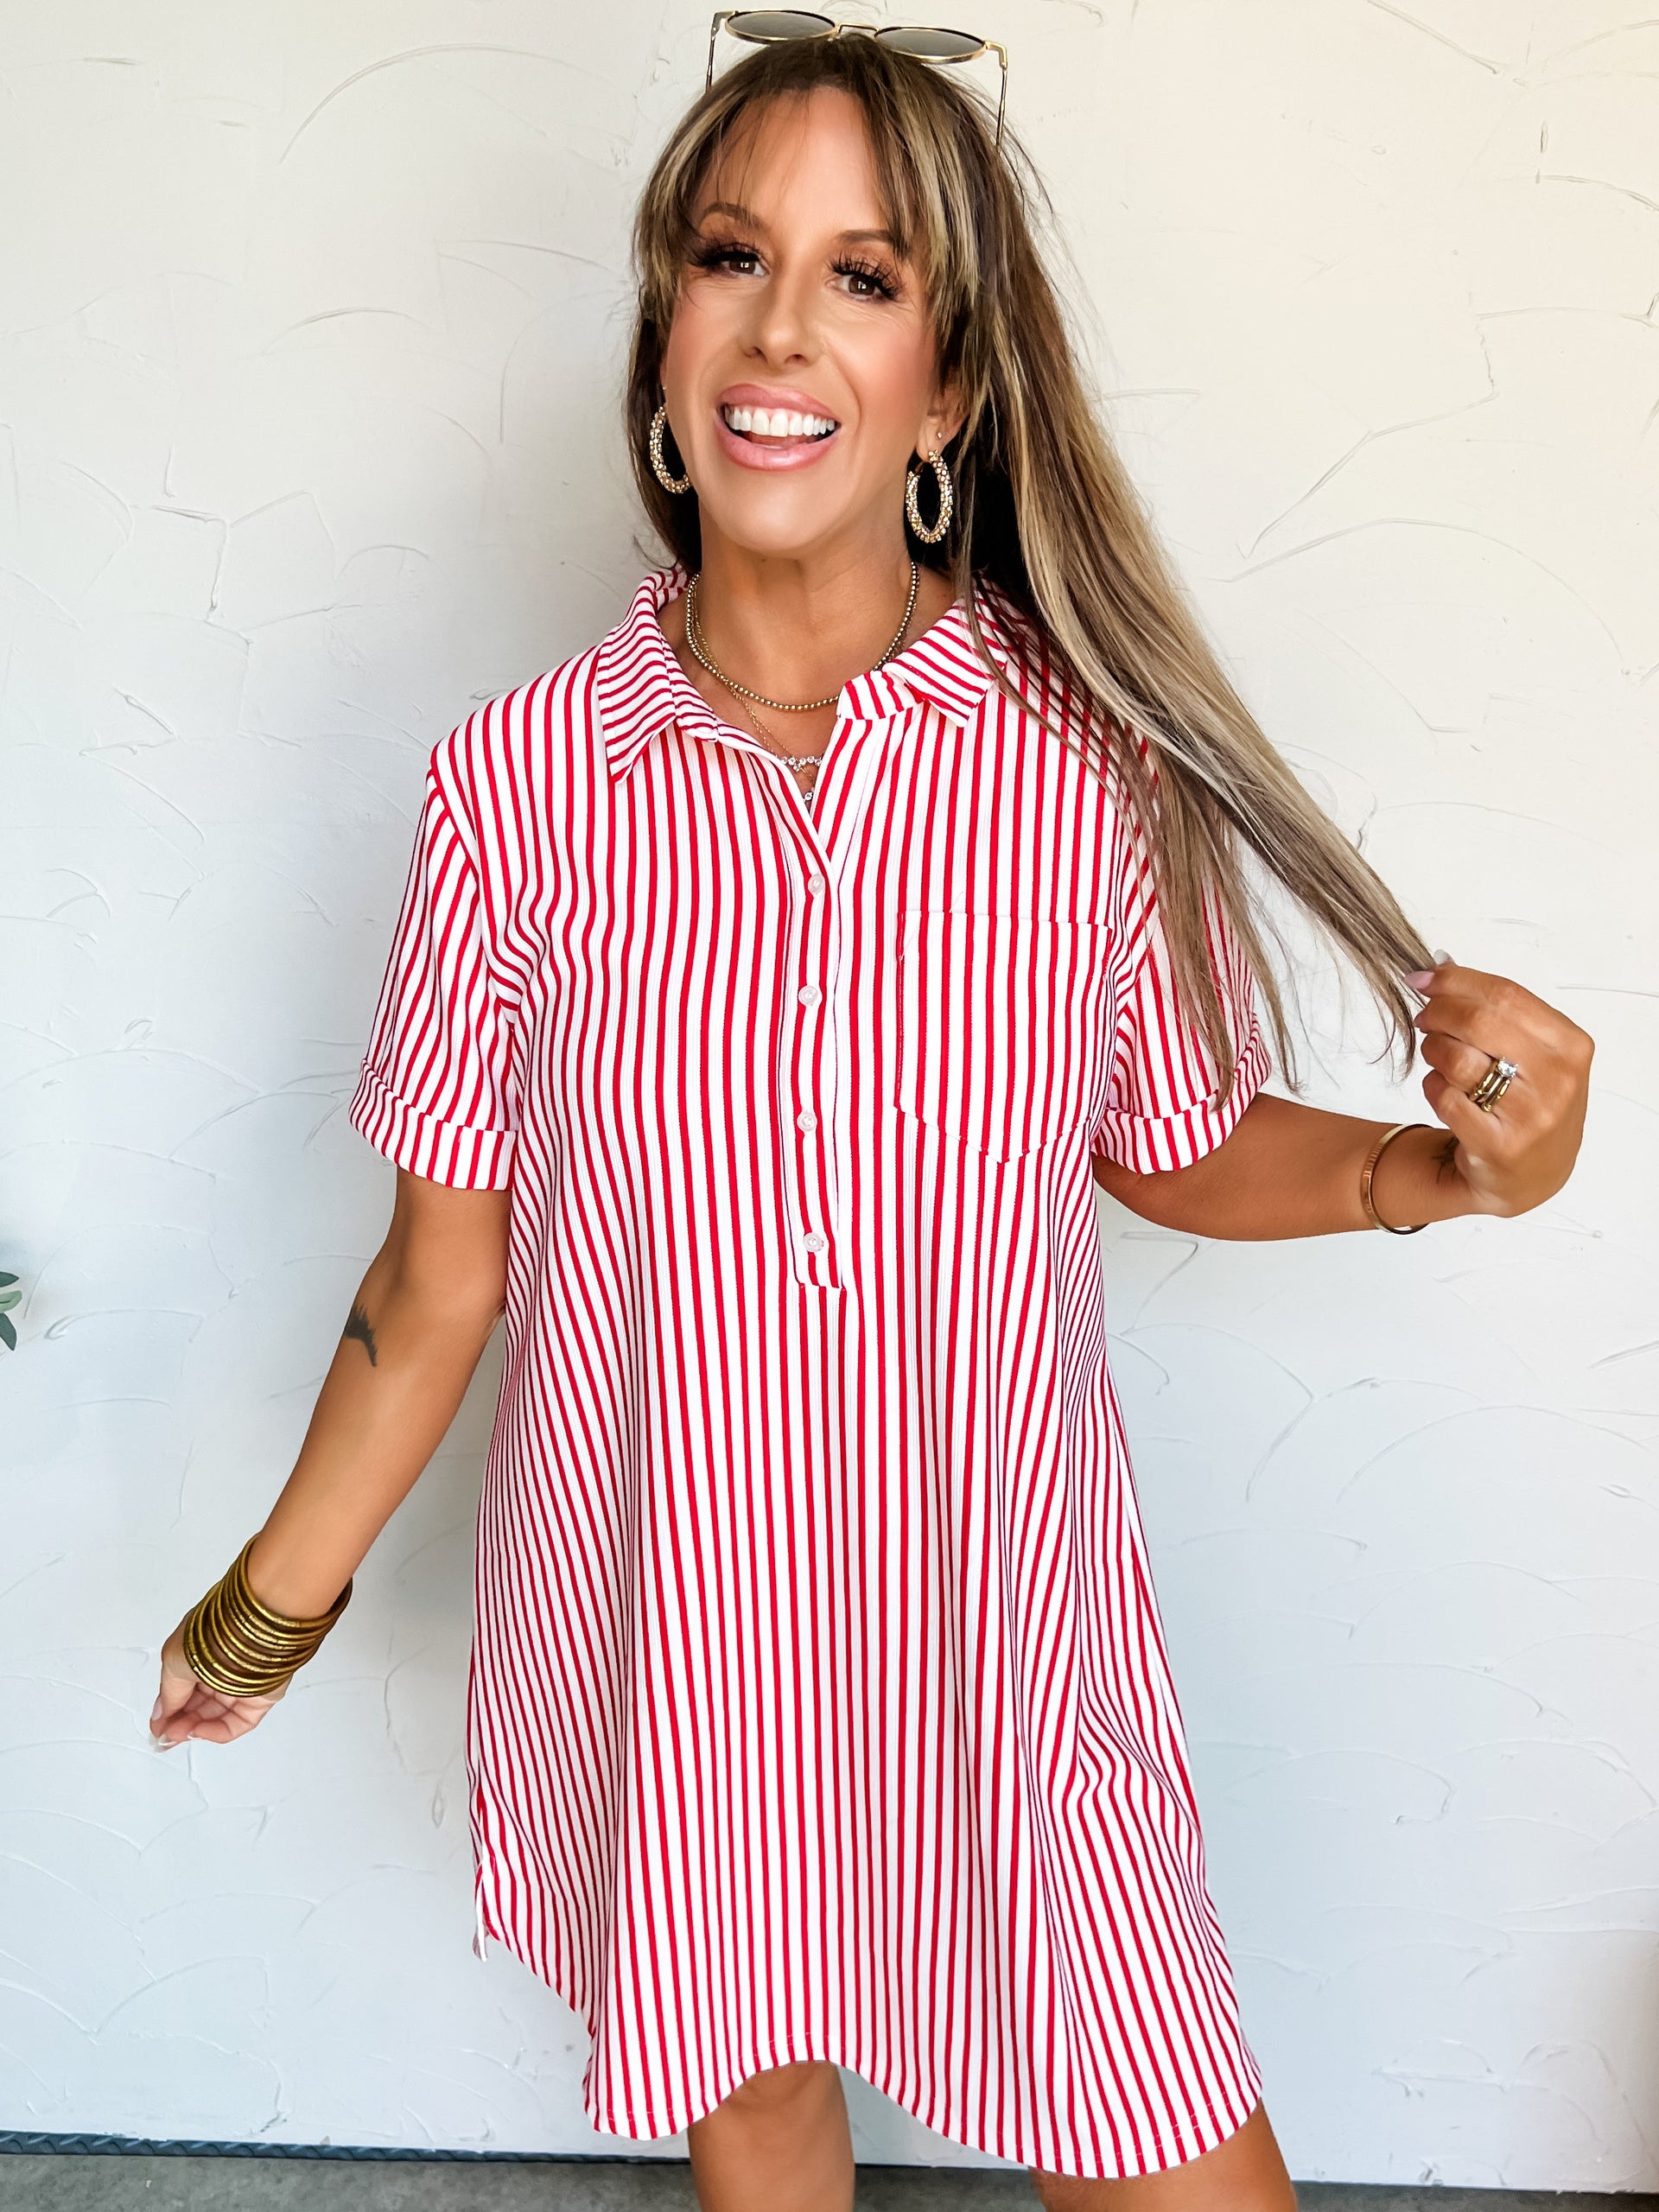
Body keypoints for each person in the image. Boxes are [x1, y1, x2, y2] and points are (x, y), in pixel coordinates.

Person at [149, 26, 1593, 2212]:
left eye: (867, 274)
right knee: (763, 2108)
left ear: (952, 388)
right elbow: (439, 1275)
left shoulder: (1078, 769)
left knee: (1169, 2139)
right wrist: (269, 1602)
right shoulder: (522, 788)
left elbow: (1168, 1135)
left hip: (1009, 1633)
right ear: (663, 345)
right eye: (733, 256)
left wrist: (1438, 1172)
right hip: (680, 1607)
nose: (783, 326)